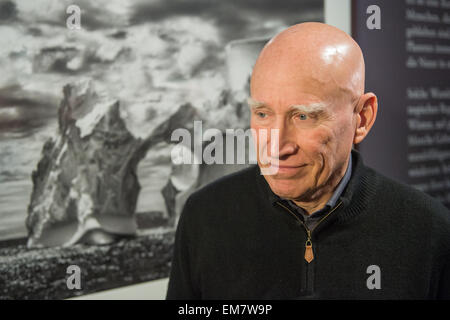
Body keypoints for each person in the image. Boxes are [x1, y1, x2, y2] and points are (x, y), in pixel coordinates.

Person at [166, 22, 450, 299]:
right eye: (263, 114)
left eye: (303, 116)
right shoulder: (204, 215)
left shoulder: (429, 231)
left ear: (361, 118)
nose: (276, 146)